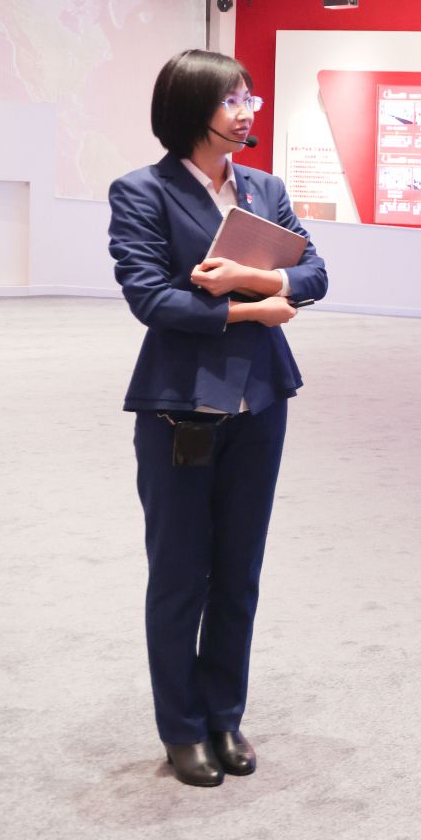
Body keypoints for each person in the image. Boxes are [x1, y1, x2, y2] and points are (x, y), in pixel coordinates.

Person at [106, 49, 328, 788]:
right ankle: (182, 728)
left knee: (239, 570)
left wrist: (251, 275)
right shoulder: (142, 191)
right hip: (180, 407)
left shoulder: (265, 187)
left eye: (248, 98)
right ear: (191, 109)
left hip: (261, 400)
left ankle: (225, 717)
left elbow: (316, 274)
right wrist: (251, 307)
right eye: (232, 100)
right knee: (180, 574)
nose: (246, 111)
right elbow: (150, 298)